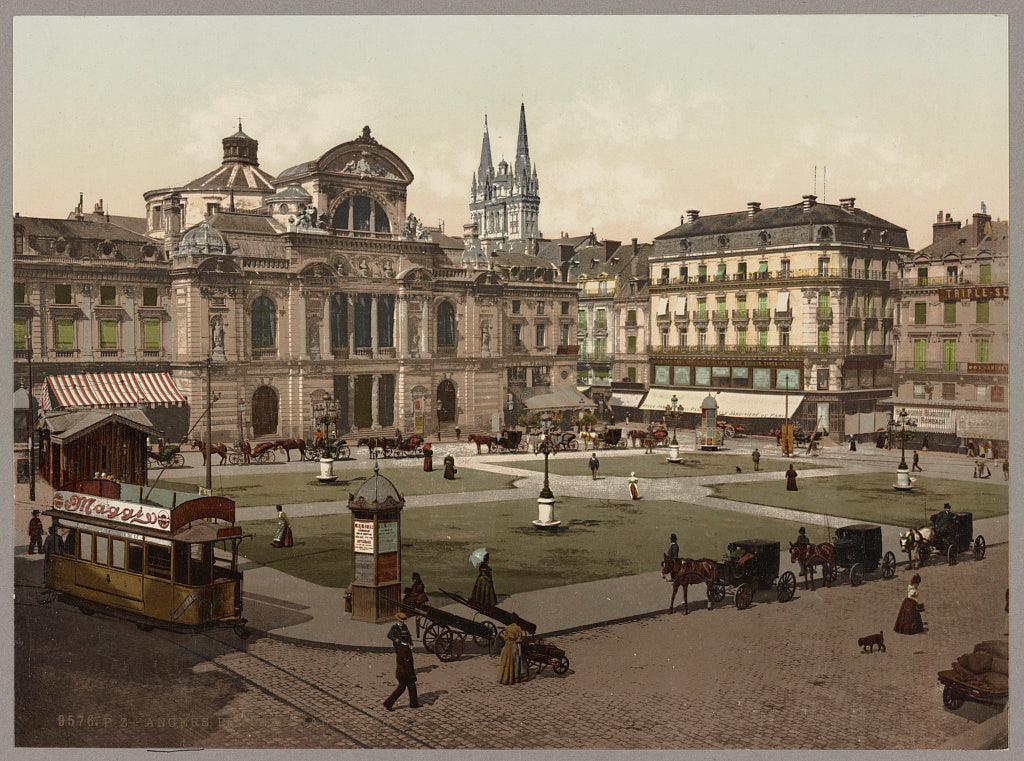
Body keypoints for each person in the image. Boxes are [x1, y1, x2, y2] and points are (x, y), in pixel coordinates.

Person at [383, 611, 420, 711]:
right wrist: (411, 674)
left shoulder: (405, 629)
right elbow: (406, 663)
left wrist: (411, 643)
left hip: (403, 670)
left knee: (409, 686)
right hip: (404, 672)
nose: (402, 622)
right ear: (398, 620)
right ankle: (388, 703)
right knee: (404, 686)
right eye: (401, 620)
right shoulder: (395, 629)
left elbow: (409, 636)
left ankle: (414, 703)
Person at [498, 612, 530, 684]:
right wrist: (520, 652)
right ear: (517, 620)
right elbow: (518, 641)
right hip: (515, 646)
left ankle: (506, 677)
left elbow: (505, 638)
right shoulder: (518, 628)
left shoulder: (508, 627)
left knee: (506, 662)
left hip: (507, 647)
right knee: (518, 661)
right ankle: (517, 677)